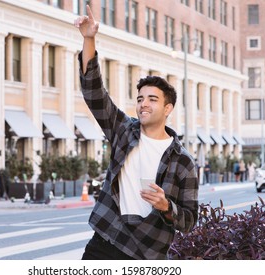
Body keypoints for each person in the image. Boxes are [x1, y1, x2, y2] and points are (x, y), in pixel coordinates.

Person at [74, 6, 199, 260]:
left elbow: (189, 221)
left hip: (148, 253)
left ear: (167, 108)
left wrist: (166, 206)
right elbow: (94, 92)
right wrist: (89, 39)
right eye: (140, 98)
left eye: (152, 99)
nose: (143, 103)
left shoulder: (183, 161)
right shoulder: (124, 131)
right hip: (106, 239)